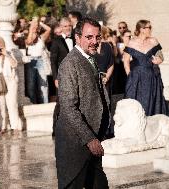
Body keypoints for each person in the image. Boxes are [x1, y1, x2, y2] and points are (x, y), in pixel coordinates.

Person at [55, 17, 110, 189]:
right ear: (77, 37)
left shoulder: (90, 58)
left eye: (97, 37)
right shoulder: (69, 64)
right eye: (89, 37)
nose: (94, 41)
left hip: (91, 144)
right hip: (75, 146)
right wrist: (90, 139)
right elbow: (68, 107)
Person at [123, 20, 168, 116]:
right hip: (136, 78)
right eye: (149, 27)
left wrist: (158, 60)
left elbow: (161, 57)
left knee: (151, 101)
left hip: (151, 77)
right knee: (135, 102)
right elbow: (126, 60)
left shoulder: (153, 41)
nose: (151, 29)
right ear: (142, 29)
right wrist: (130, 75)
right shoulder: (132, 42)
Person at [50, 17, 74, 137]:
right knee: (60, 102)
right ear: (61, 27)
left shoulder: (76, 39)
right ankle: (55, 129)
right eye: (65, 26)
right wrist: (56, 78)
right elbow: (53, 61)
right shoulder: (56, 41)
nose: (68, 28)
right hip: (62, 76)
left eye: (69, 25)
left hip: (75, 76)